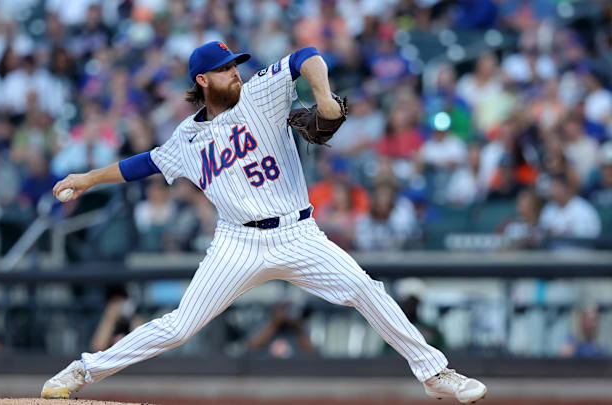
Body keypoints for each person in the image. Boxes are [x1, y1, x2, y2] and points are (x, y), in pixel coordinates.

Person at [41, 41, 487, 403]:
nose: (234, 72)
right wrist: (86, 179)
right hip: (237, 242)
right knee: (178, 326)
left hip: (297, 233)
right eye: (224, 69)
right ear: (202, 79)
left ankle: (434, 373)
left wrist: (325, 98)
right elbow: (143, 164)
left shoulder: (258, 94)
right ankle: (84, 369)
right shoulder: (187, 137)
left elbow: (305, 55)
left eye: (235, 64)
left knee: (366, 290)